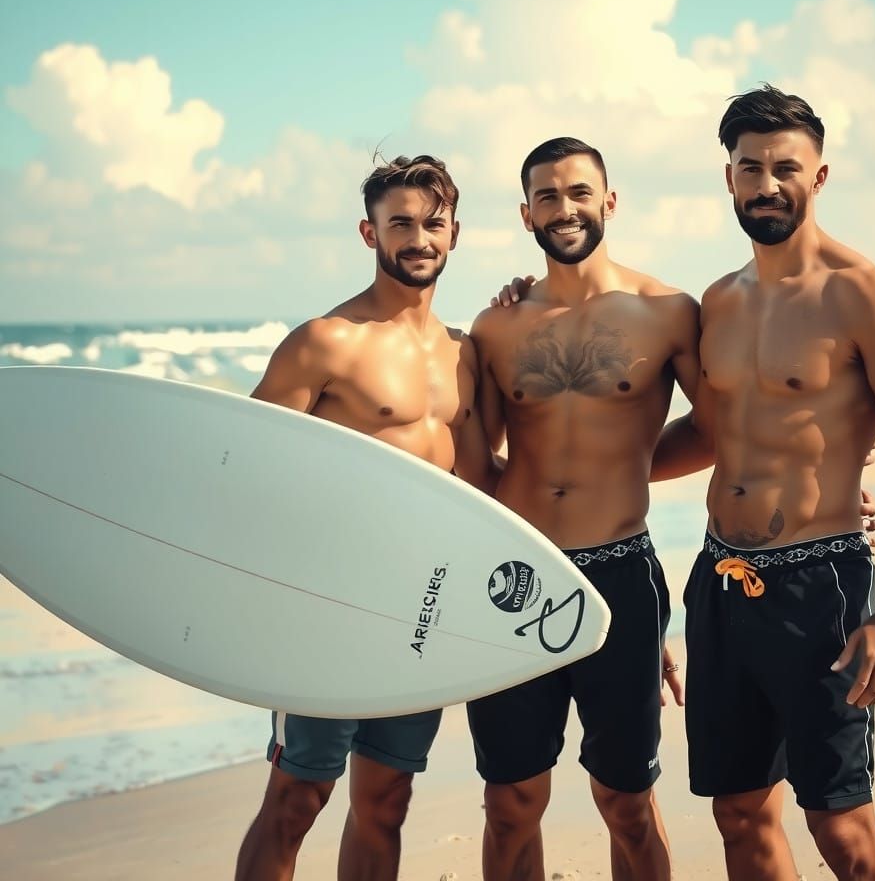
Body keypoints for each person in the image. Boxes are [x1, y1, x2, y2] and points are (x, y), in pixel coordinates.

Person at [654, 84, 875, 880]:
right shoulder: (719, 302)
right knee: (741, 815)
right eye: (749, 168)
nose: (765, 184)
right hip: (721, 582)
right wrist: (575, 475)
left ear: (819, 178)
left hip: (819, 590)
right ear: (728, 179)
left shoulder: (866, 297)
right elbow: (711, 436)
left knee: (842, 830)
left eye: (785, 168)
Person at [234, 155, 496, 881]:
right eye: (401, 223)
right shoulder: (326, 341)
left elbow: (481, 485)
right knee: (298, 795)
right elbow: (244, 466)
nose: (418, 238)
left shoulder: (463, 354)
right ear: (369, 231)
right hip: (331, 607)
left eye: (432, 224)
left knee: (386, 799)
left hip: (420, 611)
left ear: (455, 233)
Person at [467, 136, 718, 881]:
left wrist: (630, 470)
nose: (564, 208)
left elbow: (725, 428)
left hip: (619, 574)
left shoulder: (669, 313)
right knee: (511, 799)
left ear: (610, 202)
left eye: (579, 192)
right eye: (546, 196)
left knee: (626, 799)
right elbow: (476, 466)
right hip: (516, 573)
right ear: (525, 214)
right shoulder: (495, 328)